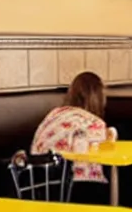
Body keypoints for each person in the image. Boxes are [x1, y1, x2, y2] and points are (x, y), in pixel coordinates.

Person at [31, 71, 117, 202]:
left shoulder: (55, 114)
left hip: (39, 182)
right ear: (99, 98)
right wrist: (112, 132)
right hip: (76, 187)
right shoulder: (94, 123)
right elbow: (105, 143)